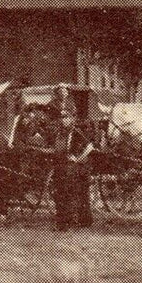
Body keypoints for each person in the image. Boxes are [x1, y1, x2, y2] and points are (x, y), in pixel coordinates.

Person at [51, 86, 94, 229]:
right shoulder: (61, 132)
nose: (63, 120)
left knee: (70, 192)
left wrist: (77, 158)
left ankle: (71, 222)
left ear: (72, 117)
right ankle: (64, 221)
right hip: (63, 166)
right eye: (62, 117)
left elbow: (89, 147)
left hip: (77, 167)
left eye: (66, 117)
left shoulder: (77, 131)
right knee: (60, 192)